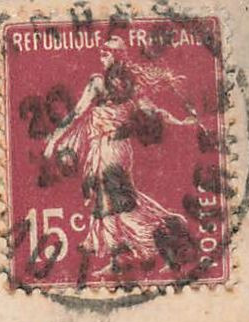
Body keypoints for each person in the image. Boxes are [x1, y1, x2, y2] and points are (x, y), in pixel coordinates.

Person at [42, 38, 199, 276]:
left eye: (108, 51)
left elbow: (151, 111)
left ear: (119, 56)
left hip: (112, 152)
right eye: (102, 50)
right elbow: (77, 113)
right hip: (104, 150)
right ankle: (126, 258)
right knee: (110, 204)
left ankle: (164, 242)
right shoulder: (116, 84)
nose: (102, 53)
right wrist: (55, 138)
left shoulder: (111, 85)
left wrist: (178, 121)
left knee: (119, 205)